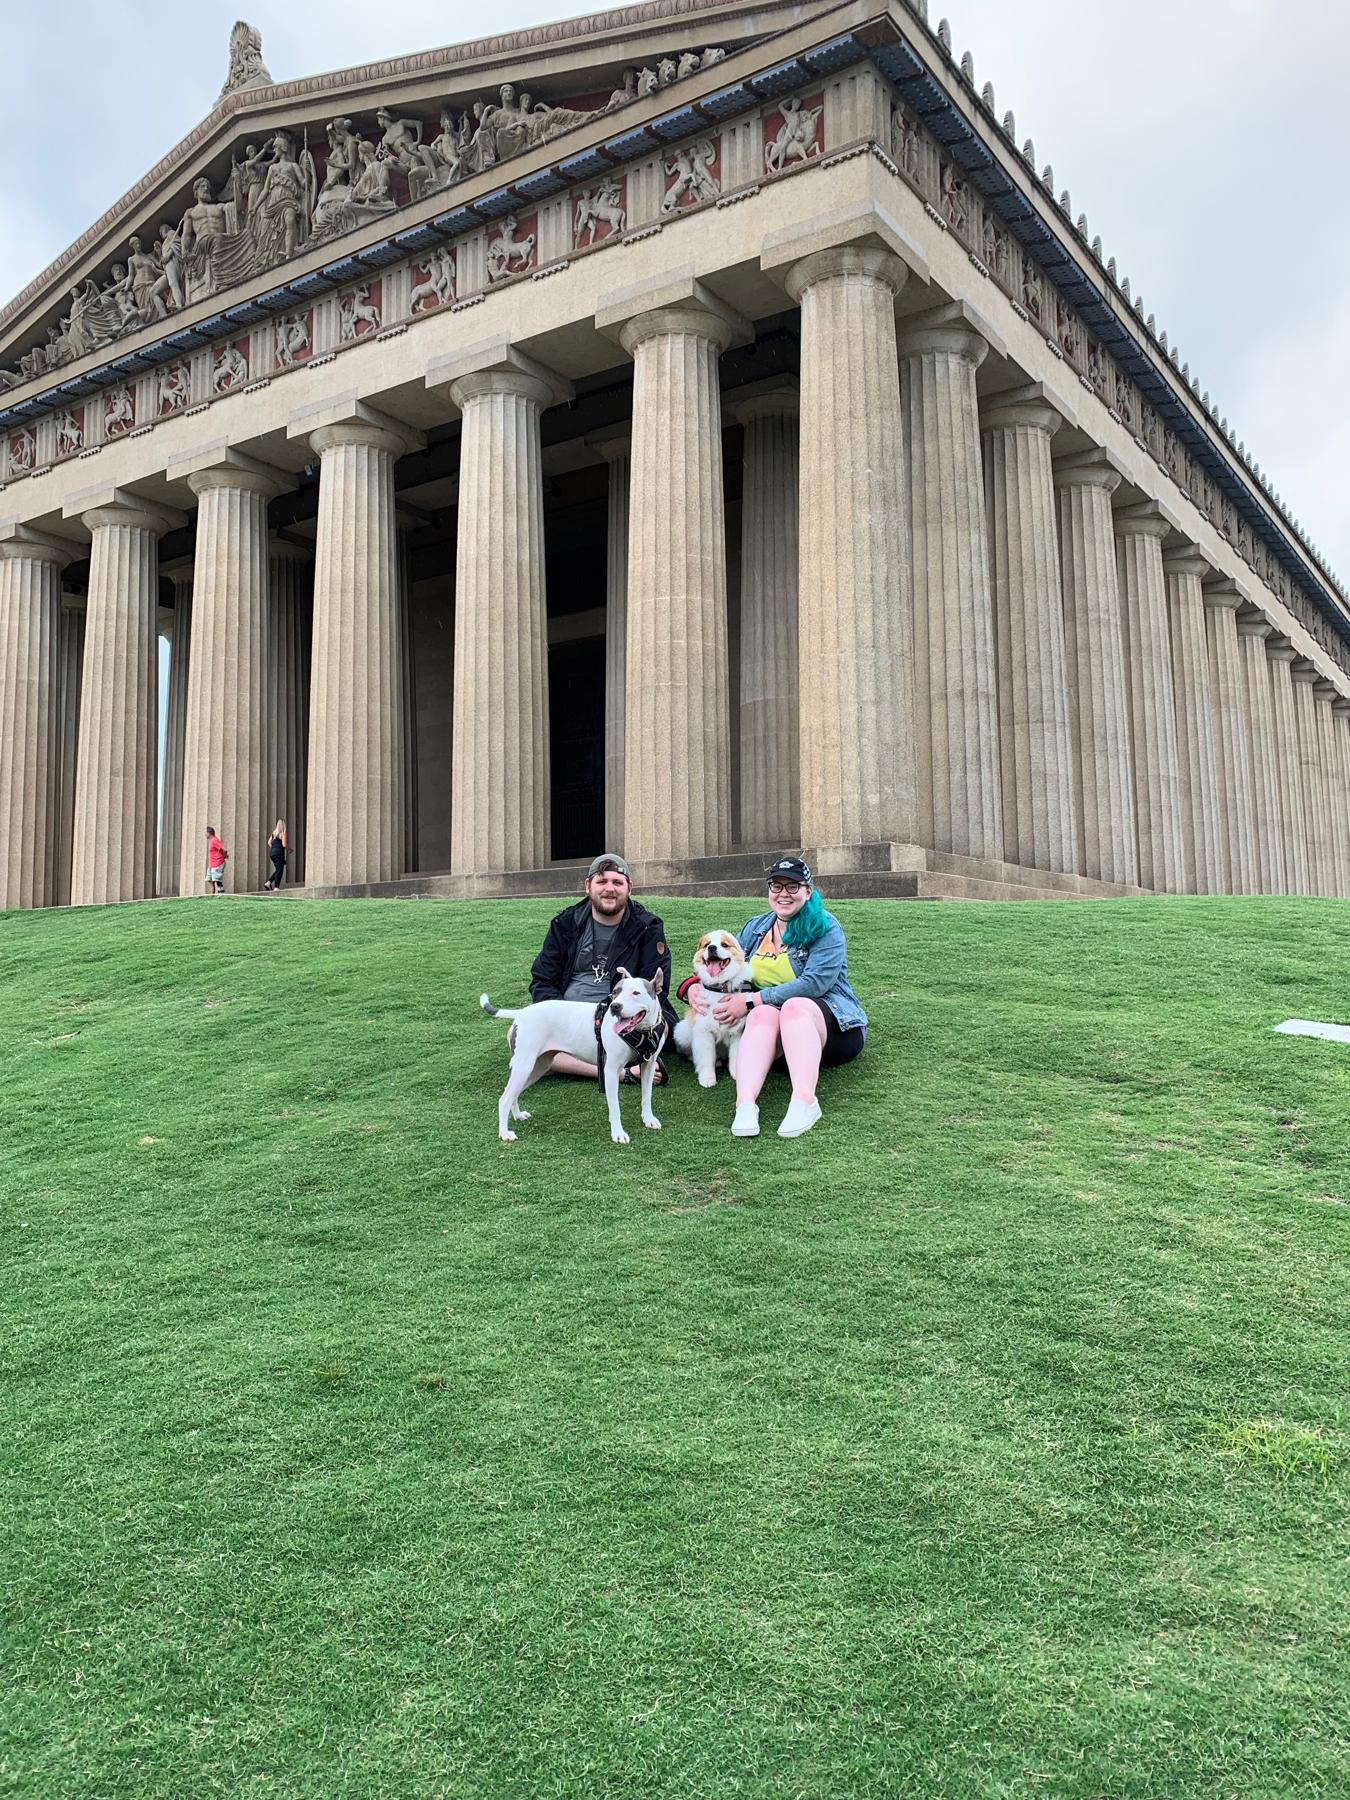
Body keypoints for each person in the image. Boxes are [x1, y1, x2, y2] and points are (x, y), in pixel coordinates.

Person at [683, 855, 865, 1139]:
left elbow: (815, 983)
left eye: (793, 886)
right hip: (773, 1038)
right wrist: (691, 986)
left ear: (808, 891)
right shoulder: (756, 928)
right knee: (763, 1013)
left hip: (832, 1030)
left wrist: (753, 1000)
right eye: (776, 886)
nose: (783, 894)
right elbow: (728, 965)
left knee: (791, 1006)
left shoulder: (825, 927)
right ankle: (745, 1104)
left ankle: (805, 1101)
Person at [527, 853, 675, 1080]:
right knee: (518, 1033)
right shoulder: (565, 924)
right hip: (572, 1018)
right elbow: (543, 980)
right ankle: (616, 1073)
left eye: (617, 882)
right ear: (588, 886)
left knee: (660, 1026)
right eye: (602, 881)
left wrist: (625, 1016)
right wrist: (557, 1015)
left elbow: (655, 990)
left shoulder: (648, 927)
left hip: (623, 1018)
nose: (609, 889)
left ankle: (583, 1062)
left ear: (629, 888)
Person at [264, 819, 288, 890]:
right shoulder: (282, 834)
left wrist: (274, 848)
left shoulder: (273, 834)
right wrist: (289, 848)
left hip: (272, 853)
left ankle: (268, 883)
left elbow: (269, 842)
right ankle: (276, 887)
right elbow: (283, 845)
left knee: (278, 869)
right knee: (280, 870)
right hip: (279, 853)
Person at [204, 827, 229, 896]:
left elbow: (224, 849)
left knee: (217, 879)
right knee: (210, 880)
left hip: (218, 863)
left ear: (209, 833)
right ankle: (212, 896)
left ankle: (221, 894)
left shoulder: (215, 840)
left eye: (205, 833)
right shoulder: (211, 841)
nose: (205, 834)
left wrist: (225, 856)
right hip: (212, 864)